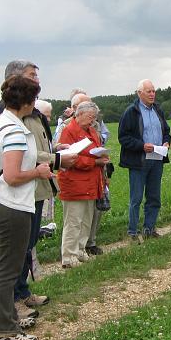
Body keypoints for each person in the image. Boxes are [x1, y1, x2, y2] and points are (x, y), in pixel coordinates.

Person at [0, 60, 75, 320]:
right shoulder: (11, 122)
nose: (37, 83)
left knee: (24, 249)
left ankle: (19, 297)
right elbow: (14, 169)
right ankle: (8, 316)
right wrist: (43, 168)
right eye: (32, 78)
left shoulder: (16, 117)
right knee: (10, 261)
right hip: (11, 198)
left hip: (20, 196)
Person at [0, 75, 54, 340]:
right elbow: (12, 176)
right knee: (7, 270)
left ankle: (9, 318)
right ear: (26, 101)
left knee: (9, 267)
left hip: (5, 202)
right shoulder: (14, 131)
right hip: (10, 205)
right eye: (34, 98)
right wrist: (37, 171)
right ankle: (4, 330)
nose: (35, 104)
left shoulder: (5, 123)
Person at [54, 90, 110, 255]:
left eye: (94, 117)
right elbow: (68, 159)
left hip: (91, 182)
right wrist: (94, 161)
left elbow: (94, 149)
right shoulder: (68, 131)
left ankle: (80, 251)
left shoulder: (92, 130)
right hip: (74, 183)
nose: (93, 120)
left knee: (86, 220)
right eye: (90, 116)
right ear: (79, 114)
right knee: (73, 221)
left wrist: (102, 157)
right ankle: (69, 256)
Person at [118, 79, 171, 242]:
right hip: (139, 161)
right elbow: (123, 137)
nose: (152, 94)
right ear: (139, 93)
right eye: (149, 91)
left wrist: (166, 141)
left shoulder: (158, 110)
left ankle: (149, 228)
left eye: (154, 91)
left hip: (157, 159)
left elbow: (166, 130)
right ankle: (133, 232)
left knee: (154, 197)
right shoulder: (131, 112)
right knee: (136, 198)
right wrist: (142, 146)